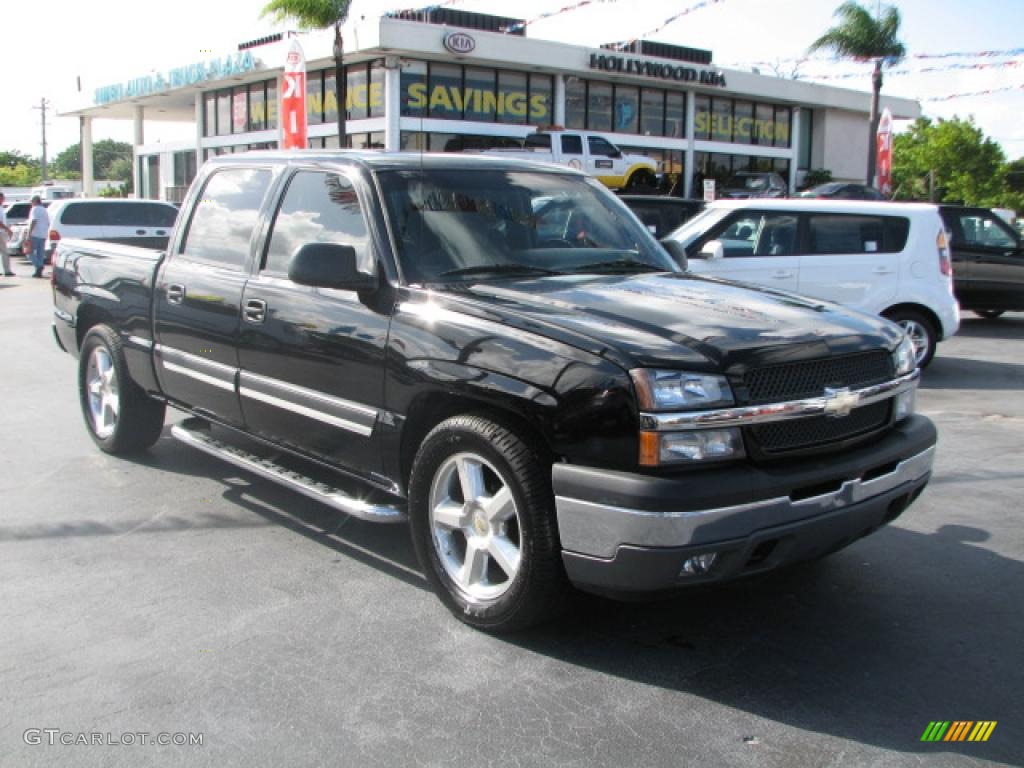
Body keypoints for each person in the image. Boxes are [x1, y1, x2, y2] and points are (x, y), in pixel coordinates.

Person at [25, 195, 50, 278]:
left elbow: (33, 221)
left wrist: (29, 234)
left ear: (35, 201)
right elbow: (48, 223)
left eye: (31, 201)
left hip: (35, 234)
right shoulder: (44, 210)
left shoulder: (34, 209)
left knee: (29, 252)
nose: (31, 203)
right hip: (43, 234)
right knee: (40, 254)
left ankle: (39, 266)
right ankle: (38, 271)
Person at [0, 193, 15, 276]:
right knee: (5, 252)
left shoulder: (2, 208)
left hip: (2, 232)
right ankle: (7, 270)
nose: (3, 199)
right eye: (2, 198)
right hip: (1, 232)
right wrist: (7, 229)